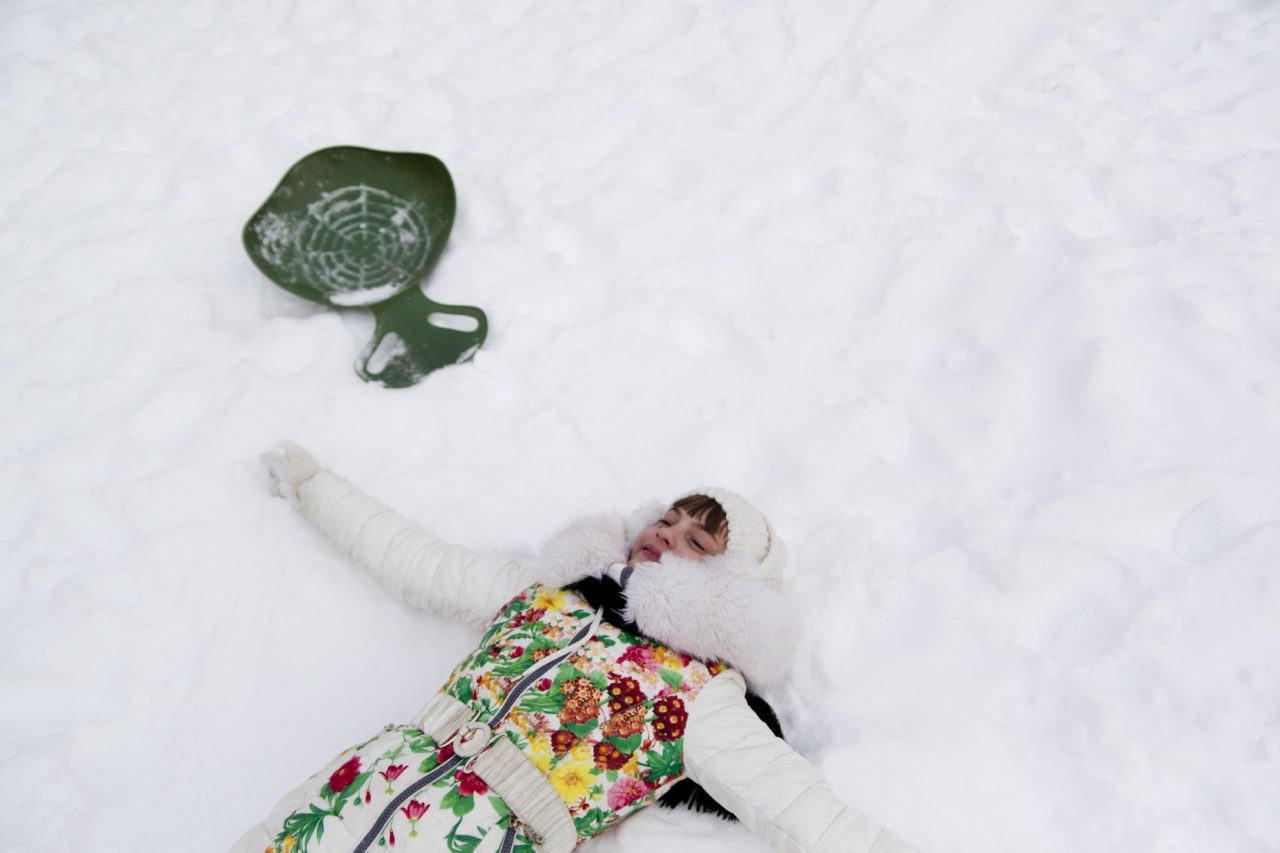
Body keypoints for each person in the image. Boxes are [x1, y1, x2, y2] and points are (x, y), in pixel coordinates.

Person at [232, 442, 917, 853]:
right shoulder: (546, 593)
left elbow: (805, 811)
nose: (666, 533)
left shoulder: (700, 696)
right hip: (358, 787)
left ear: (730, 582)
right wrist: (317, 486)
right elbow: (417, 559)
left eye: (697, 539)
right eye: (667, 517)